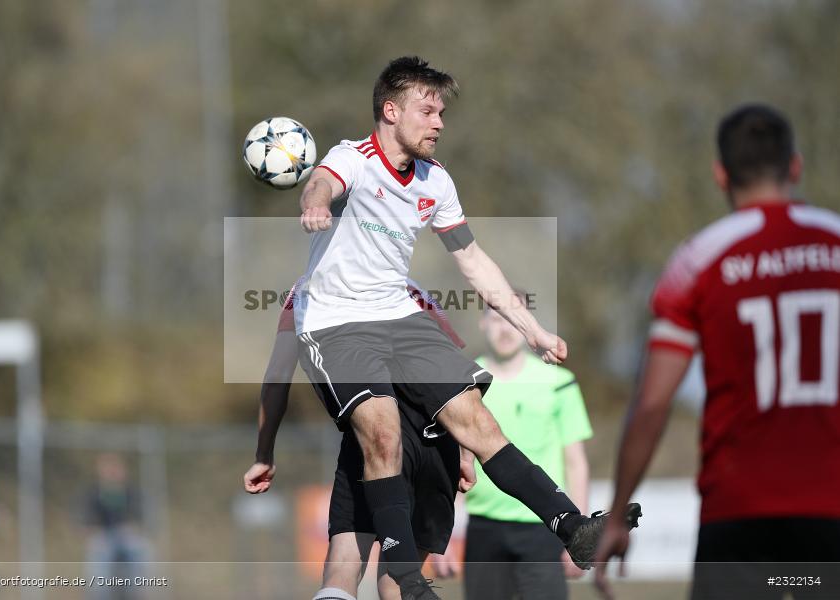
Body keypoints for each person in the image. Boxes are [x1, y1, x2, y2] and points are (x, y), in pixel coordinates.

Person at [296, 55, 640, 598]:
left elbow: (473, 260)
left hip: (397, 316)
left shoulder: (435, 180)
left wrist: (532, 330)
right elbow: (320, 181)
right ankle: (405, 578)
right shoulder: (352, 158)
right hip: (336, 321)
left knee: (476, 420)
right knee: (383, 432)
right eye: (427, 111)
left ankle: (573, 527)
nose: (438, 123)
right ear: (391, 111)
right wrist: (316, 202)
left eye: (441, 113)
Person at [594, 104, 840, 600]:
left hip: (739, 512)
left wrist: (618, 514)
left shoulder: (698, 259)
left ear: (720, 174)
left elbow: (653, 404)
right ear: (795, 167)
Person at [244, 278, 469, 600]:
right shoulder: (410, 287)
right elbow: (455, 381)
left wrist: (264, 454)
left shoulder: (306, 289)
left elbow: (278, 376)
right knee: (399, 581)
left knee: (342, 567)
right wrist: (465, 453)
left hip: (371, 440)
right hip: (434, 441)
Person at [463, 294, 593, 599]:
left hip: (544, 526)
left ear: (526, 324)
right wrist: (444, 534)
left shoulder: (559, 382)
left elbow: (576, 463)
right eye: (497, 319)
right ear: (483, 323)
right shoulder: (463, 381)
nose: (505, 329)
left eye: (512, 319)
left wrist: (579, 534)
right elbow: (453, 460)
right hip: (483, 527)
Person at [81, 454, 151, 600]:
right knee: (100, 550)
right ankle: (99, 595)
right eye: (108, 469)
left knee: (140, 549)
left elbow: (142, 519)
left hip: (127, 537)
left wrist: (133, 528)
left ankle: (137, 593)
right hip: (103, 537)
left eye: (116, 469)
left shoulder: (132, 493)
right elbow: (85, 523)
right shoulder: (92, 494)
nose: (112, 473)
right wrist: (94, 531)